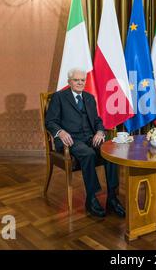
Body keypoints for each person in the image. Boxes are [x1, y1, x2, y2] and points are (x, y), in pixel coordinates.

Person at [45, 68, 125, 218]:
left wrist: (100, 132)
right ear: (69, 82)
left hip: (89, 137)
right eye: (76, 80)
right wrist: (60, 132)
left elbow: (96, 120)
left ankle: (112, 198)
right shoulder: (59, 97)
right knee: (88, 154)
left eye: (82, 80)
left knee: (110, 151)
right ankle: (91, 198)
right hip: (70, 139)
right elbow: (50, 121)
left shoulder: (89, 97)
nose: (80, 83)